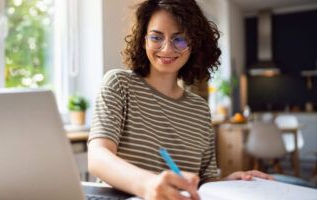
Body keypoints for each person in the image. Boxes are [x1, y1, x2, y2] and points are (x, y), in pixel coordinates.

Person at [87, 0, 273, 199]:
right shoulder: (119, 84)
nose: (167, 49)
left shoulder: (200, 109)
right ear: (144, 40)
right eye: (156, 37)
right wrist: (148, 185)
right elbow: (98, 158)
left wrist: (230, 183)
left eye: (179, 39)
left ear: (194, 44)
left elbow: (204, 181)